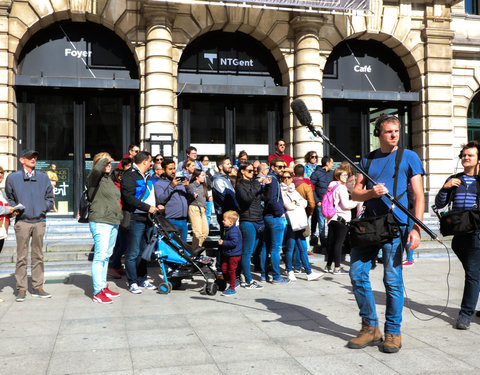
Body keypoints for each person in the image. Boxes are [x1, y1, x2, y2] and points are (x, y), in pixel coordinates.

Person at [348, 114, 425, 353]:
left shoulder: (408, 156)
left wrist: (416, 228)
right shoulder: (369, 159)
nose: (394, 135)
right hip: (370, 224)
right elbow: (355, 194)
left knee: (392, 280)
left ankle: (393, 332)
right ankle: (370, 327)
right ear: (378, 135)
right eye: (389, 131)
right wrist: (371, 193)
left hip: (397, 225)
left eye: (396, 131)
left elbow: (419, 195)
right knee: (356, 272)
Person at [435, 141, 480, 330]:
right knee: (476, 273)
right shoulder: (454, 179)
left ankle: (465, 314)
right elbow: (439, 204)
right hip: (458, 235)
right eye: (464, 155)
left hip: (476, 233)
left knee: (472, 274)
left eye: (470, 155)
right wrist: (445, 188)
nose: (466, 158)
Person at [6, 150, 54, 302]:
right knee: (21, 257)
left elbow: (50, 197)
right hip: (22, 222)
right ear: (21, 160)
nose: (33, 159)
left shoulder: (43, 177)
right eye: (29, 157)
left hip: (39, 221)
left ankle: (38, 287)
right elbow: (9, 197)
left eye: (35, 157)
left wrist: (43, 208)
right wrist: (15, 209)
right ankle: (21, 289)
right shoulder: (13, 178)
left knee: (38, 256)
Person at [121, 151, 159, 294]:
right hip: (135, 219)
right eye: (150, 161)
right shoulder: (129, 175)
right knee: (133, 252)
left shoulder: (148, 176)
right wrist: (147, 208)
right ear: (145, 162)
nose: (152, 164)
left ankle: (142, 279)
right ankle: (132, 282)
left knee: (144, 252)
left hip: (149, 218)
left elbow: (151, 195)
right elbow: (128, 198)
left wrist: (158, 205)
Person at [87, 152, 122, 304]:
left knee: (107, 256)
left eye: (109, 162)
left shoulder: (108, 180)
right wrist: (107, 158)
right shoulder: (94, 178)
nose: (109, 164)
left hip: (112, 221)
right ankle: (97, 292)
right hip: (100, 221)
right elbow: (96, 170)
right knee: (100, 256)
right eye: (105, 162)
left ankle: (103, 286)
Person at [280, 171, 323, 282]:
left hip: (299, 222)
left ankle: (309, 272)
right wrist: (297, 203)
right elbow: (288, 206)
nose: (286, 180)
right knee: (290, 249)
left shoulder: (293, 189)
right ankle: (290, 271)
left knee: (303, 249)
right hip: (290, 224)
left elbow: (304, 202)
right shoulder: (282, 190)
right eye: (284, 178)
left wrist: (297, 202)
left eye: (289, 177)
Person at [235, 162, 264, 289]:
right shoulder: (240, 186)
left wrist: (267, 185)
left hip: (258, 219)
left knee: (250, 251)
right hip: (247, 221)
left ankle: (238, 275)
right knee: (246, 252)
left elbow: (265, 197)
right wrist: (258, 184)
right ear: (242, 171)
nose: (253, 173)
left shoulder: (253, 183)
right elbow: (247, 199)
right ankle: (248, 281)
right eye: (250, 171)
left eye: (254, 171)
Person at [325, 167, 358, 274]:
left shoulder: (332, 186)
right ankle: (337, 268)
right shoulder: (342, 188)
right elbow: (345, 205)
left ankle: (328, 265)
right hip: (341, 218)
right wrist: (356, 202)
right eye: (343, 175)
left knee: (333, 243)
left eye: (346, 175)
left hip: (332, 218)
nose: (346, 177)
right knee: (339, 243)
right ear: (338, 176)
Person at [263, 157, 290, 284]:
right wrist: (280, 213)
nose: (283, 169)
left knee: (266, 247)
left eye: (284, 167)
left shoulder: (270, 179)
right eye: (280, 167)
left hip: (269, 216)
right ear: (272, 167)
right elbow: (272, 199)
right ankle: (276, 276)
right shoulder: (273, 180)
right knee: (275, 248)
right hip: (274, 217)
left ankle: (264, 275)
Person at [155, 159, 194, 242]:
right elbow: (160, 199)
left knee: (183, 248)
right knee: (173, 247)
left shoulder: (180, 181)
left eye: (174, 168)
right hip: (171, 221)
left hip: (183, 221)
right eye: (170, 169)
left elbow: (191, 197)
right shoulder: (159, 184)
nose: (173, 171)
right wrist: (171, 186)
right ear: (163, 170)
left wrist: (188, 187)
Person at [212, 156, 239, 274]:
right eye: (227, 164)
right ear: (220, 166)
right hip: (225, 215)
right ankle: (219, 269)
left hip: (231, 213)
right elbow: (224, 199)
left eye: (230, 163)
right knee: (224, 241)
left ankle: (226, 268)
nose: (230, 165)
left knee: (228, 240)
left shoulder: (226, 178)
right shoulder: (218, 180)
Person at [108, 157, 132, 279]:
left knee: (120, 243)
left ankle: (116, 265)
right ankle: (113, 265)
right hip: (121, 216)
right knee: (123, 243)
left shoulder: (118, 183)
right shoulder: (117, 185)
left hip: (122, 215)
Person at [310, 155, 334, 252]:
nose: (333, 164)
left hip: (331, 203)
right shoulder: (316, 174)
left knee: (331, 223)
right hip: (321, 203)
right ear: (327, 163)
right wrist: (317, 201)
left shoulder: (332, 174)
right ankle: (324, 245)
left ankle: (330, 243)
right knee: (322, 225)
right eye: (332, 162)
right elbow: (311, 189)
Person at [292, 164, 316, 260]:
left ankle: (292, 264)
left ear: (294, 173)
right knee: (302, 239)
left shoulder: (289, 184)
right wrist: (308, 213)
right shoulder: (306, 186)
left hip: (290, 214)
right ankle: (298, 263)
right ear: (304, 173)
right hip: (302, 215)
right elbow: (311, 204)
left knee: (291, 241)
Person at [218, 210, 243, 296]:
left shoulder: (233, 231)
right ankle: (233, 282)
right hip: (229, 253)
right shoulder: (229, 229)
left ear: (231, 222)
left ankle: (232, 287)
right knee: (224, 268)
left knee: (231, 270)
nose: (222, 221)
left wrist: (223, 242)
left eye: (224, 220)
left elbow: (234, 242)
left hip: (234, 255)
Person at [188, 169, 209, 249]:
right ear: (196, 177)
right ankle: (196, 250)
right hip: (194, 208)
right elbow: (188, 196)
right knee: (198, 233)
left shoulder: (203, 185)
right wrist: (192, 196)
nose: (204, 177)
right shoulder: (191, 186)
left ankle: (196, 248)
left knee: (205, 232)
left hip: (202, 209)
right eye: (202, 175)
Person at [200, 155, 215, 228]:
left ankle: (207, 229)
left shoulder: (210, 170)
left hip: (209, 193)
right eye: (205, 161)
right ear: (201, 162)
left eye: (207, 160)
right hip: (200, 194)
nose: (207, 162)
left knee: (208, 214)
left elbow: (212, 182)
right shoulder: (198, 171)